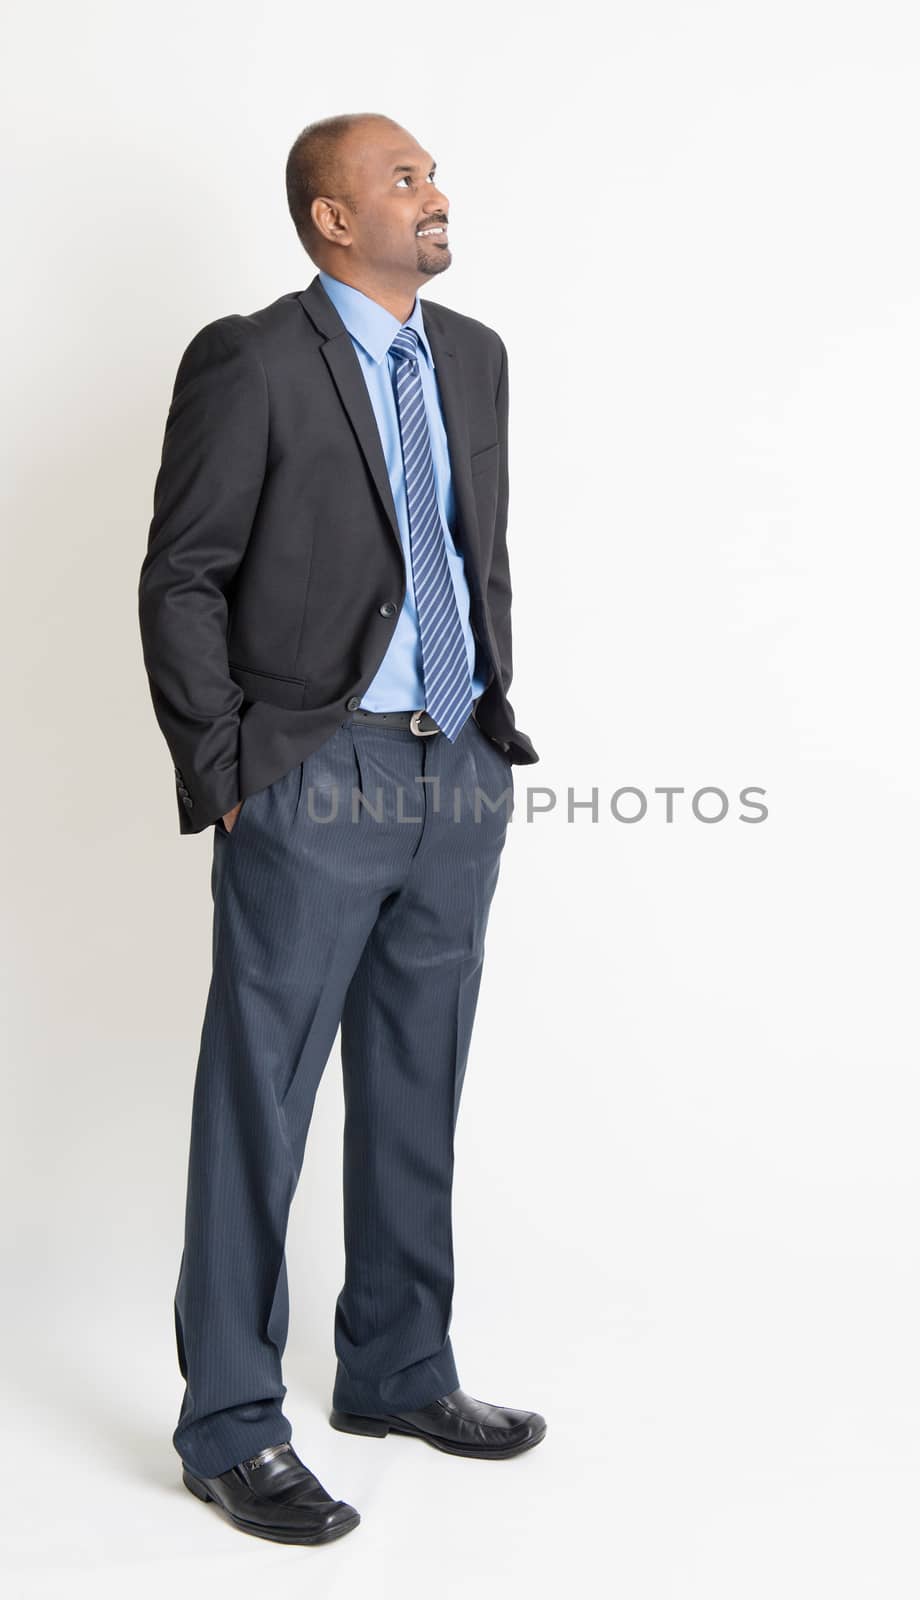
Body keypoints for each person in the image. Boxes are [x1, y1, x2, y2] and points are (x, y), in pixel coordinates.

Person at [138, 111, 545, 1547]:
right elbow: (183, 573)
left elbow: (461, 549)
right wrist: (229, 767)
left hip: (457, 772)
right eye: (405, 179)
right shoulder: (252, 359)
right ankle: (233, 1423)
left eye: (432, 173)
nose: (437, 195)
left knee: (417, 1082)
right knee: (262, 1098)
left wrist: (492, 725)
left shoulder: (473, 355)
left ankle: (394, 1367)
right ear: (329, 218)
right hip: (313, 774)